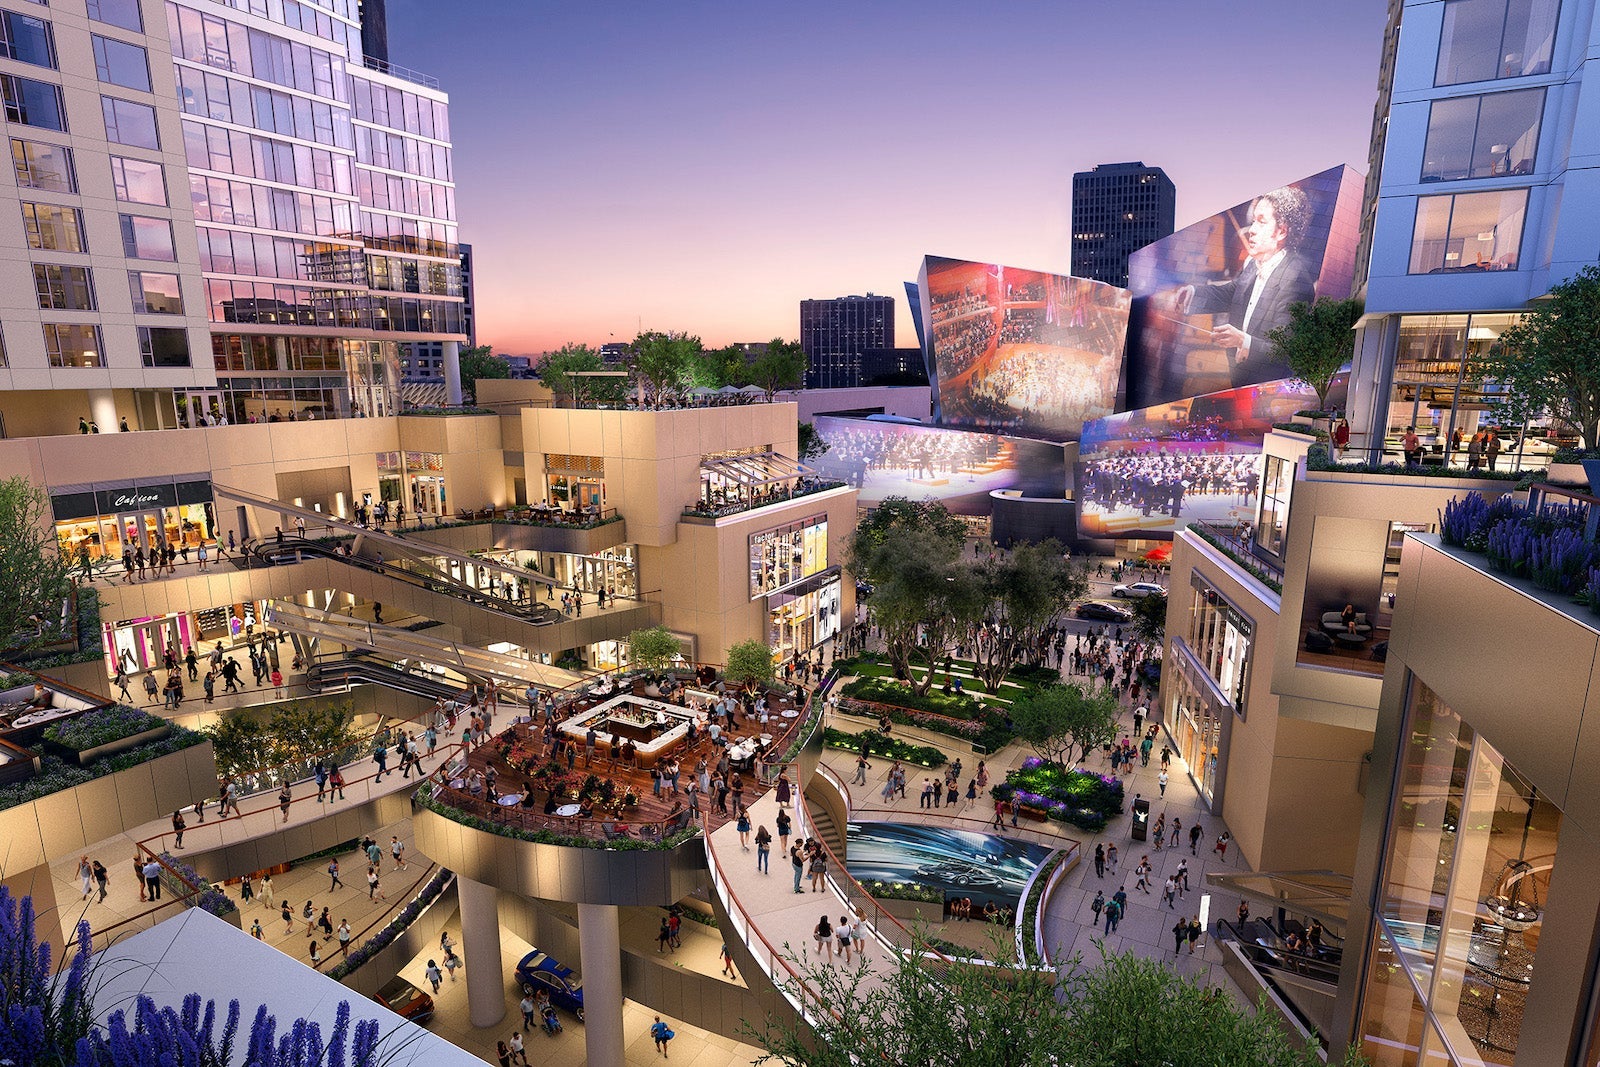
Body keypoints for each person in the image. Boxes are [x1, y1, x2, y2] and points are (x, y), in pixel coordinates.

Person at [1167, 184, 1317, 387]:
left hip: (1267, 389)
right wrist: (1192, 293)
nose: (1252, 231)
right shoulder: (1256, 264)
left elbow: (1285, 350)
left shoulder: (1295, 279)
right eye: (1254, 221)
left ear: (1281, 232)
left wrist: (1243, 341)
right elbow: (1232, 292)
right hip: (1241, 379)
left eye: (1261, 222)